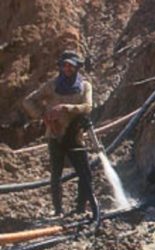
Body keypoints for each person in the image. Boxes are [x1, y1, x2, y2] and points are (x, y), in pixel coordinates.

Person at [22, 51, 100, 222]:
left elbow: (87, 106)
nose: (67, 69)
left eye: (71, 66)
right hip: (55, 134)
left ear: (77, 67)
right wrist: (43, 115)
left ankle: (80, 208)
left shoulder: (85, 86)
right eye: (64, 65)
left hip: (75, 135)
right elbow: (28, 101)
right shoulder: (52, 85)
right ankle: (58, 210)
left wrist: (67, 108)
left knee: (85, 173)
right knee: (56, 174)